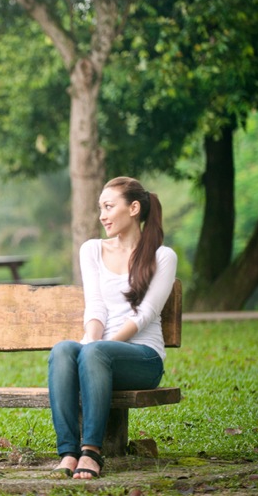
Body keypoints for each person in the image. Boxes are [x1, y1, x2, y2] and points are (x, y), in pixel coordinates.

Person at [48, 176, 177, 479]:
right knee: (64, 350)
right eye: (100, 208)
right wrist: (92, 342)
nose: (102, 215)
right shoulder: (92, 249)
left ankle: (91, 452)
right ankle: (68, 452)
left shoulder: (162, 256)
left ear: (133, 208)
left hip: (142, 359)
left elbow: (145, 315)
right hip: (97, 353)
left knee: (93, 354)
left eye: (108, 207)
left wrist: (96, 349)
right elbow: (95, 306)